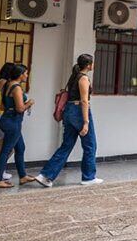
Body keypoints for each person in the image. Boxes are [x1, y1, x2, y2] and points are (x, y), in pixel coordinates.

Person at [36, 54, 103, 188]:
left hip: (69, 111)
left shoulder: (73, 77)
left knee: (66, 145)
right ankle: (88, 177)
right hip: (79, 111)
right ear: (89, 65)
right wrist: (86, 122)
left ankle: (45, 175)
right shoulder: (83, 78)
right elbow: (84, 101)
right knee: (90, 145)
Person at [0, 64, 36, 188]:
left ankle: (22, 176)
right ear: (20, 74)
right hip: (13, 121)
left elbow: (3, 105)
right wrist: (29, 103)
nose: (27, 75)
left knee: (20, 148)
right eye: (26, 73)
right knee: (6, 150)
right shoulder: (16, 88)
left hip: (7, 118)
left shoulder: (7, 84)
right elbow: (20, 108)